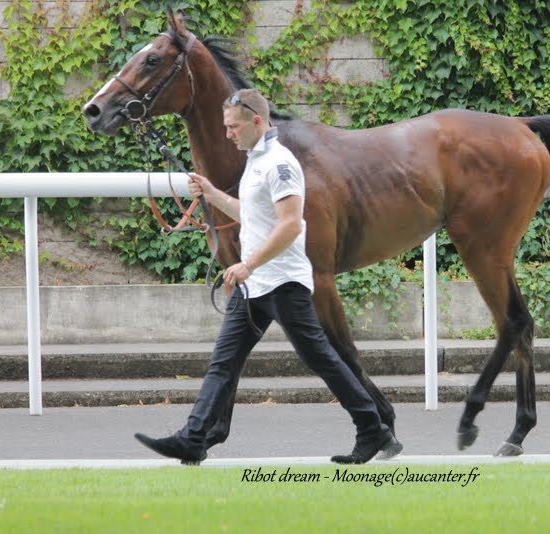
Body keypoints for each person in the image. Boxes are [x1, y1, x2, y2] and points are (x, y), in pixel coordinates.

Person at [134, 88, 402, 465]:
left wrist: (248, 264)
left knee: (321, 358)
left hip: (283, 283)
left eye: (233, 127)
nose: (227, 134)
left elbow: (292, 226)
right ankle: (193, 438)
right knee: (223, 361)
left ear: (256, 122)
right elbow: (253, 215)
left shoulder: (279, 163)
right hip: (256, 285)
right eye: (226, 127)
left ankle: (372, 429)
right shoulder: (255, 160)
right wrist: (212, 195)